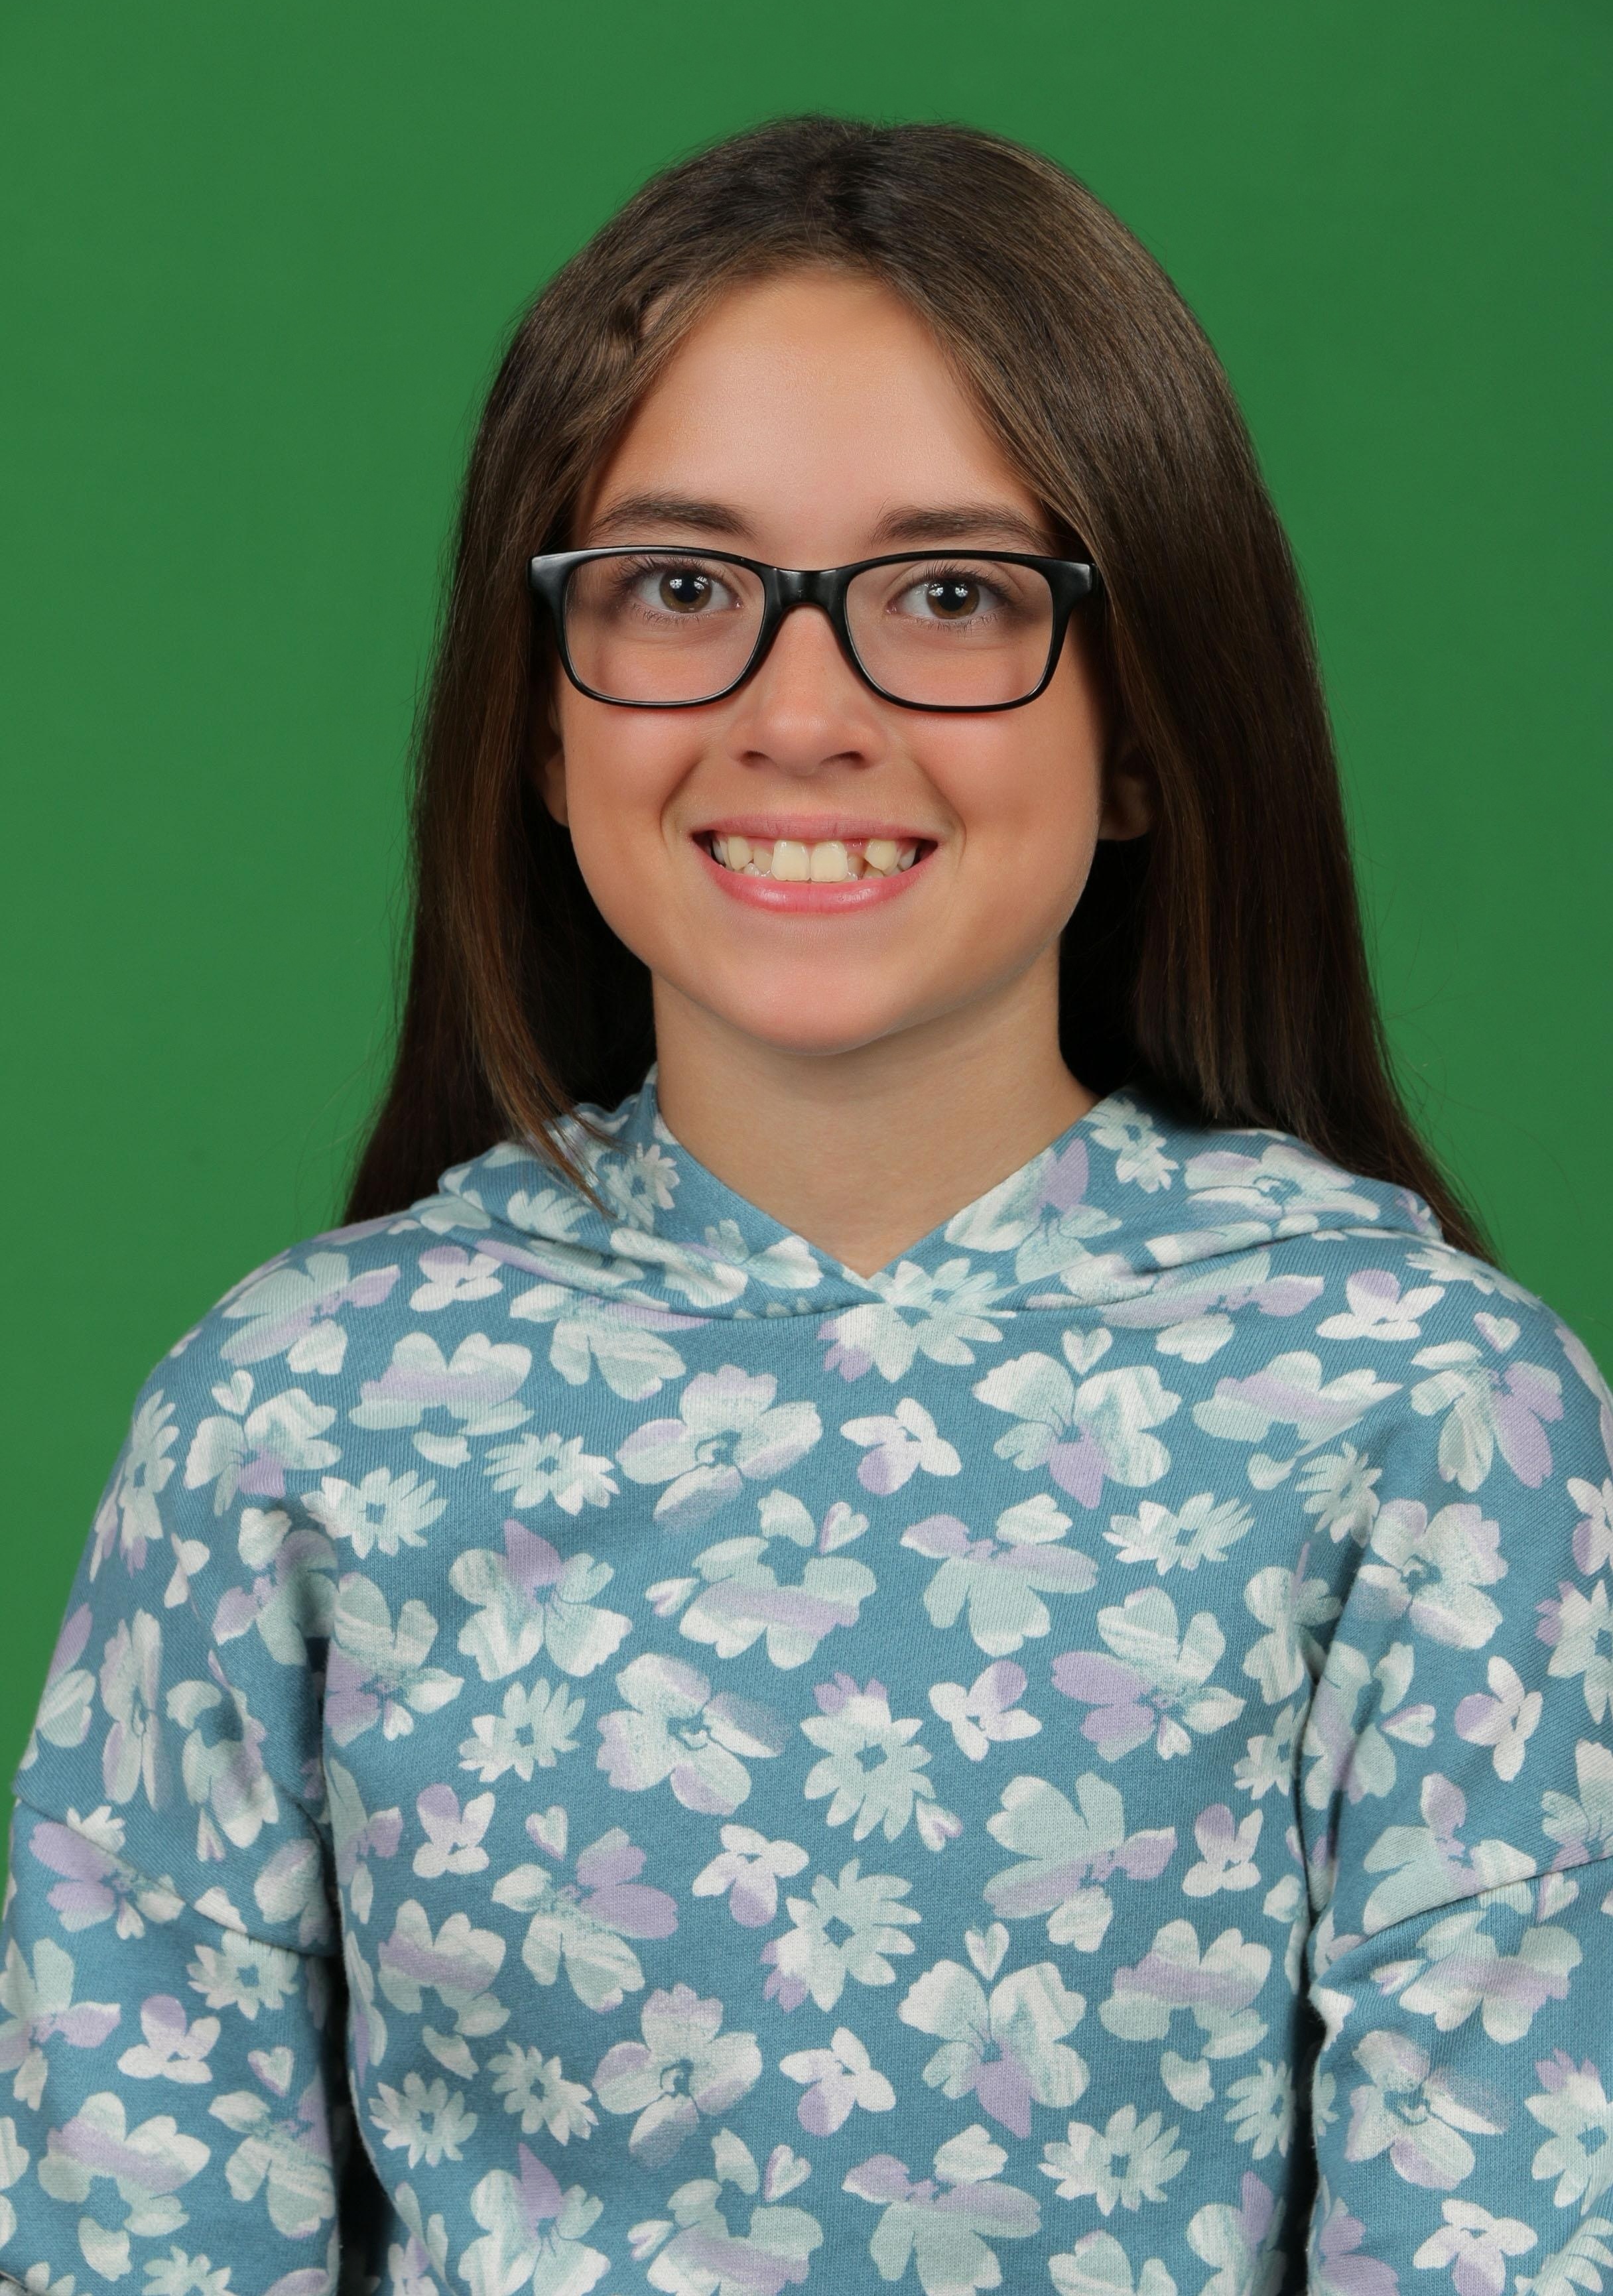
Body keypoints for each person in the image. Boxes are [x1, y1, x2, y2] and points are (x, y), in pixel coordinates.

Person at [4, 115, 1608, 2296]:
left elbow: (1514, 2235)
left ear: (1146, 726)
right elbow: (128, 2229)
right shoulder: (287, 1417)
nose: (803, 711)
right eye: (681, 588)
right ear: (539, 718)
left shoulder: (1427, 1413)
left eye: (951, 594)